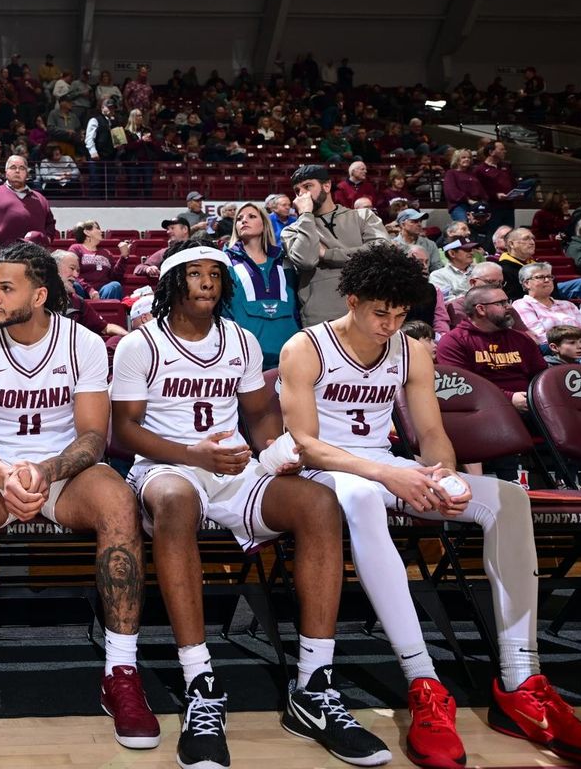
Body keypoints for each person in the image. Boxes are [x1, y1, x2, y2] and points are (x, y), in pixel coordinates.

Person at [278, 246, 581, 769]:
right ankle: (423, 681)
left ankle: (521, 680)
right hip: (325, 472)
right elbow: (304, 442)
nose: (389, 325)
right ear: (352, 300)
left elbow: (434, 435)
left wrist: (440, 474)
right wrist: (389, 472)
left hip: (387, 465)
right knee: (359, 496)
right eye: (380, 313)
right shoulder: (305, 347)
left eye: (400, 316)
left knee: (507, 498)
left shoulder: (410, 350)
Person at [111, 240, 391, 769]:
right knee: (173, 501)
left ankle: (314, 685)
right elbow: (124, 431)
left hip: (232, 470)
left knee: (318, 503)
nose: (207, 283)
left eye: (215, 274)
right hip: (167, 467)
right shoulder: (140, 344)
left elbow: (259, 413)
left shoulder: (239, 339)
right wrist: (190, 453)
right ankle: (201, 684)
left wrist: (273, 451)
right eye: (194, 274)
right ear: (173, 283)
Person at [0, 242, 158, 762]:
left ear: (41, 294)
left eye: (6, 288)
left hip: (64, 474)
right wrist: (7, 474)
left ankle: (121, 671)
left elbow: (94, 438)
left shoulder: (84, 343)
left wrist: (46, 472)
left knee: (118, 500)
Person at [281, 164, 388, 326]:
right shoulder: (292, 230)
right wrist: (305, 215)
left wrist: (328, 255)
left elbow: (383, 252)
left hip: (367, 309)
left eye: (308, 186)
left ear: (326, 186)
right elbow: (306, 260)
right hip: (319, 318)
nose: (302, 194)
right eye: (297, 190)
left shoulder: (362, 216)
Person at [438, 284, 548, 415]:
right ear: (481, 309)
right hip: (484, 410)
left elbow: (541, 375)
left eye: (508, 301)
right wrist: (509, 398)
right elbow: (462, 386)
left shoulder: (521, 338)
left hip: (530, 404)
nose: (509, 307)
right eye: (501, 303)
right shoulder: (454, 341)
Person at [224, 201, 298, 369]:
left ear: (264, 224)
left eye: (251, 216)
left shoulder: (284, 260)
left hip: (289, 354)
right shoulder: (226, 261)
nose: (244, 220)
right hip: (245, 355)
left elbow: (295, 306)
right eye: (240, 218)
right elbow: (223, 308)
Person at [510, 262, 581, 352]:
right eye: (540, 277)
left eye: (549, 277)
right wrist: (574, 348)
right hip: (553, 353)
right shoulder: (522, 304)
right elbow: (539, 336)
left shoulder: (568, 305)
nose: (547, 280)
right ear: (526, 283)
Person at [0, 155, 56, 248]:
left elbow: (50, 223)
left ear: (27, 173)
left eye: (22, 168)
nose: (17, 171)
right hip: (3, 253)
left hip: (35, 256)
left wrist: (48, 239)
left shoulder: (40, 198)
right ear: (6, 172)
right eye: (13, 167)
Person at [53, 250, 128, 345]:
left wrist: (128, 335)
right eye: (72, 268)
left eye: (77, 271)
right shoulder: (36, 297)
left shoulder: (77, 301)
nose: (76, 275)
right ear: (54, 268)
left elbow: (106, 327)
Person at [69, 220, 129, 299]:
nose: (101, 231)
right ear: (87, 232)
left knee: (115, 285)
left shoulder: (106, 253)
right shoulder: (76, 248)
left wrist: (124, 257)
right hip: (82, 290)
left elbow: (115, 277)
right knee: (73, 284)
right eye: (97, 228)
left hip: (103, 292)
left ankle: (104, 310)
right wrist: (90, 290)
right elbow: (71, 273)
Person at [475, 141, 517, 228]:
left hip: (508, 207)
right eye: (501, 149)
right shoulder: (480, 170)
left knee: (509, 232)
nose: (504, 151)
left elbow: (513, 183)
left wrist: (517, 192)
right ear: (491, 152)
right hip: (493, 208)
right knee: (494, 233)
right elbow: (479, 190)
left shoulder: (506, 167)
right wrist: (495, 195)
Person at [84, 98, 119, 198]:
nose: (111, 110)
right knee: (96, 183)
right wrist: (93, 152)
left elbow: (117, 138)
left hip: (111, 157)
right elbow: (89, 139)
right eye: (109, 107)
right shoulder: (95, 120)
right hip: (97, 157)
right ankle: (95, 208)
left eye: (113, 108)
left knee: (110, 184)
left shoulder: (115, 122)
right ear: (102, 107)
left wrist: (119, 146)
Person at [428, 237, 480, 301]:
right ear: (452, 253)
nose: (472, 253)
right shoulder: (438, 275)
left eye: (471, 249)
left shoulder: (480, 270)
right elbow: (448, 301)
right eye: (467, 249)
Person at [443, 148, 487, 222]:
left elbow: (480, 191)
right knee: (464, 225)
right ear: (457, 159)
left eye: (469, 157)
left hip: (476, 205)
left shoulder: (472, 174)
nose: (467, 159)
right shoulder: (451, 173)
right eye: (463, 157)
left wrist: (483, 200)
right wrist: (468, 200)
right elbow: (451, 192)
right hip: (459, 206)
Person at [497, 228, 537, 302]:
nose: (532, 242)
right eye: (526, 239)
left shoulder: (538, 266)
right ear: (511, 244)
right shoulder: (502, 269)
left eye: (532, 239)